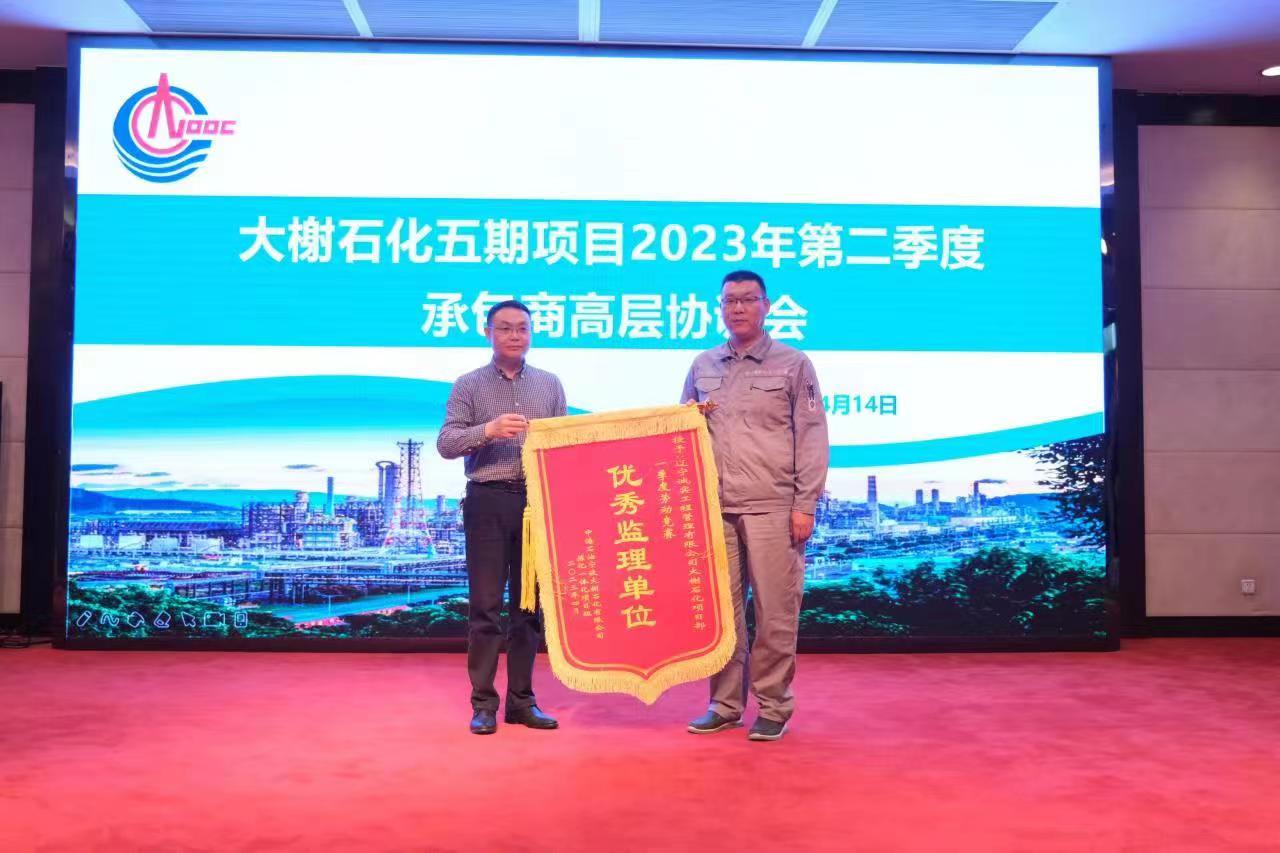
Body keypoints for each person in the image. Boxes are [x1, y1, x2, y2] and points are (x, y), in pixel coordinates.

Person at [681, 270, 830, 741]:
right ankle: (724, 704)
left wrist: (805, 503)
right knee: (722, 617)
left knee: (775, 615)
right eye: (730, 301)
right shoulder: (703, 364)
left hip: (773, 507)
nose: (738, 308)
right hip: (715, 510)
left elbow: (812, 435)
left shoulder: (793, 363)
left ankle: (773, 705)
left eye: (748, 299)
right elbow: (683, 431)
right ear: (720, 307)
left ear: (766, 306)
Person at [437, 299, 567, 735]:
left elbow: (563, 442)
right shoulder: (469, 385)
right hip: (488, 501)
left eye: (522, 328)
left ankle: (522, 702)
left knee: (528, 608)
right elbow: (446, 443)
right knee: (486, 607)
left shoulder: (549, 385)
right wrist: (488, 431)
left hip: (535, 504)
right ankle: (484, 704)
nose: (515, 335)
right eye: (505, 328)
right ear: (488, 333)